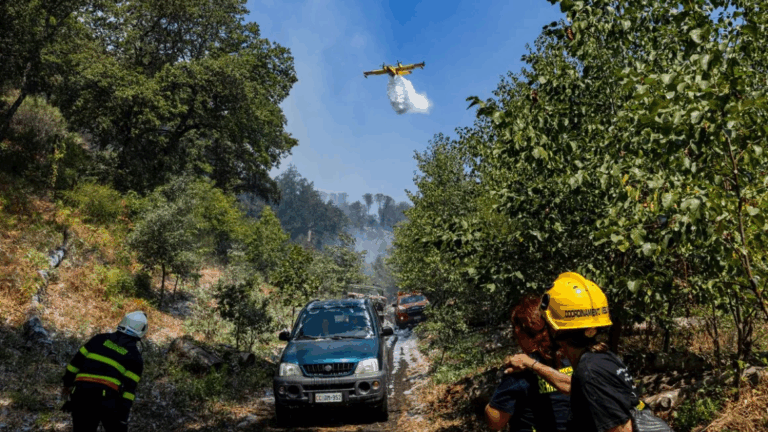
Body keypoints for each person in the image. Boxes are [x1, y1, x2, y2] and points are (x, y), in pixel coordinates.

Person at [506, 273, 641, 432]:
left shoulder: (589, 372)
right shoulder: (603, 359)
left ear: (554, 329)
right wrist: (532, 364)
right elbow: (572, 386)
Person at [485, 295, 572, 431]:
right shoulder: (572, 357)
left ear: (522, 333)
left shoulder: (519, 369)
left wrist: (489, 406)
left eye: (516, 332)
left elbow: (496, 422)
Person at [62, 311, 147, 432]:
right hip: (105, 399)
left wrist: (67, 384)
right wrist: (123, 418)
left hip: (80, 393)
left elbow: (73, 365)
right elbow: (129, 391)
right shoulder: (135, 356)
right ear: (142, 331)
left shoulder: (98, 339)